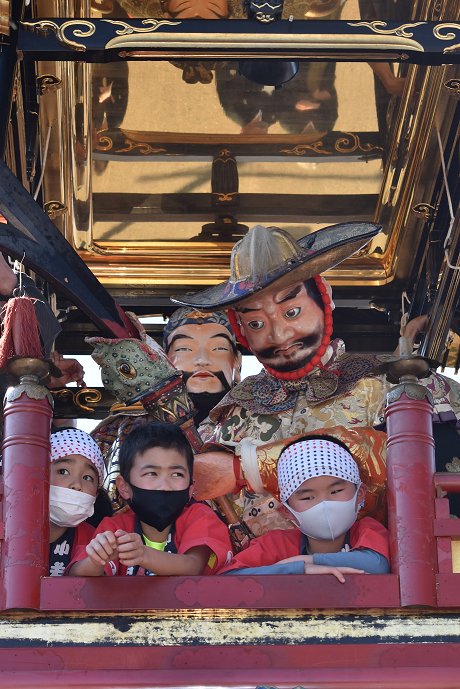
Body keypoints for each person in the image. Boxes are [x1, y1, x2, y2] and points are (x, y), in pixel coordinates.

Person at [172, 223, 460, 533]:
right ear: (239, 328)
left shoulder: (393, 381)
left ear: (324, 297)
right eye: (256, 323)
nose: (279, 334)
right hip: (253, 577)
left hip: (374, 570)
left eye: (292, 312)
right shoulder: (230, 415)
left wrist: (248, 468)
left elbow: (424, 466)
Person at [68, 423, 233, 576]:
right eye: (151, 473)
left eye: (177, 474)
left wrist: (143, 555)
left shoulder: (200, 517)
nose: (164, 486)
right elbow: (77, 575)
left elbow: (194, 565)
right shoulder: (114, 527)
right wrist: (96, 559)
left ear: (190, 488)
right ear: (124, 487)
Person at [217, 436, 390, 581]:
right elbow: (226, 580)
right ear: (287, 511)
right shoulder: (277, 544)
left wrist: (306, 560)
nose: (324, 504)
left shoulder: (367, 530)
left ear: (360, 493)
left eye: (336, 491)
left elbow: (377, 564)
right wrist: (297, 569)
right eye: (308, 497)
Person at [49, 429, 107, 577]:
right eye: (63, 472)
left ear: (95, 495)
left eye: (87, 477)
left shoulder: (94, 540)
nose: (76, 485)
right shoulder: (7, 528)